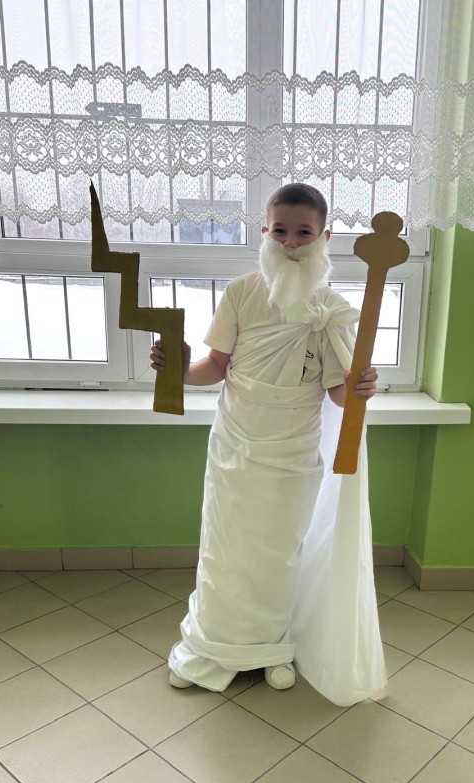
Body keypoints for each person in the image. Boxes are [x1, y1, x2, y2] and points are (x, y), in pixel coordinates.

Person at [151, 183, 387, 705]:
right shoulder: (241, 292)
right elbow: (215, 366)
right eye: (280, 230)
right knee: (225, 549)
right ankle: (210, 646)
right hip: (236, 443)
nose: (291, 242)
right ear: (264, 231)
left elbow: (338, 391)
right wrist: (178, 370)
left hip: (293, 452)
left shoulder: (330, 308)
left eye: (303, 232)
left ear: (323, 237)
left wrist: (361, 387)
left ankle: (273, 647)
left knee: (279, 554)